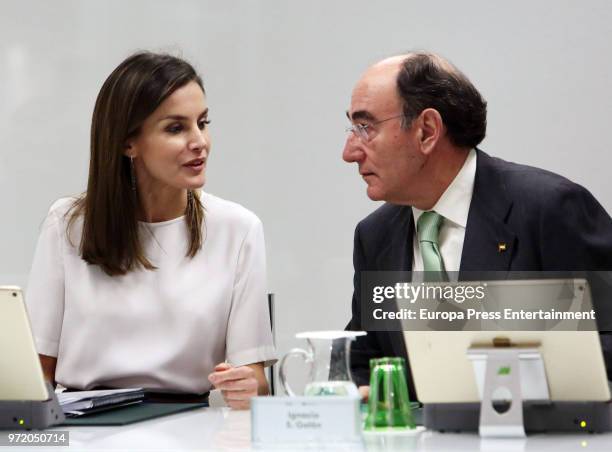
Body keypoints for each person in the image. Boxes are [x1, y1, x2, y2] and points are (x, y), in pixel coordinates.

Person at [341, 52, 612, 400]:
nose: (349, 152)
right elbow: (367, 358)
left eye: (365, 128)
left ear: (427, 130)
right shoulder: (376, 236)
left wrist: (517, 369)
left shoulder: (548, 209)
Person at [26, 52, 275, 409]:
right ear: (129, 143)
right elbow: (37, 374)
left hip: (191, 427)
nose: (199, 141)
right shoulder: (66, 224)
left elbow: (255, 383)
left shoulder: (238, 229)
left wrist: (248, 388)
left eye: (202, 123)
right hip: (82, 426)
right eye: (176, 128)